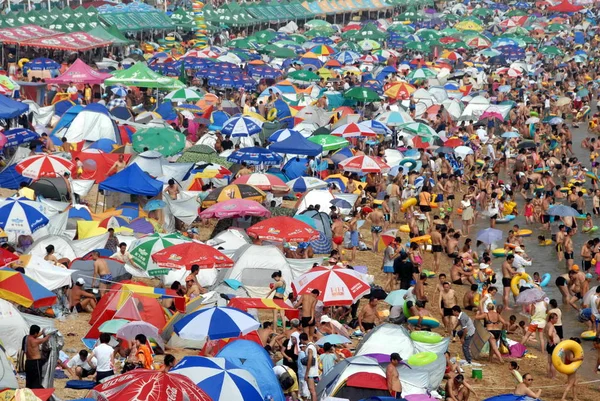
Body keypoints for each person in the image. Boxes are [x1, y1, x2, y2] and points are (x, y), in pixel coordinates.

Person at [300, 332, 319, 401]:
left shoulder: (309, 347)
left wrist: (306, 373)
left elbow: (310, 359)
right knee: (312, 390)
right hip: (313, 371)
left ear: (302, 340)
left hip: (311, 372)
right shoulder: (312, 345)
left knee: (312, 390)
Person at [544, 313, 560, 379]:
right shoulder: (551, 326)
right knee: (553, 362)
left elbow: (546, 334)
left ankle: (549, 375)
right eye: (556, 318)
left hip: (548, 344)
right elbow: (550, 334)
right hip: (553, 345)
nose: (557, 319)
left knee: (549, 361)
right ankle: (553, 376)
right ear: (551, 319)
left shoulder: (547, 325)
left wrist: (550, 340)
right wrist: (552, 340)